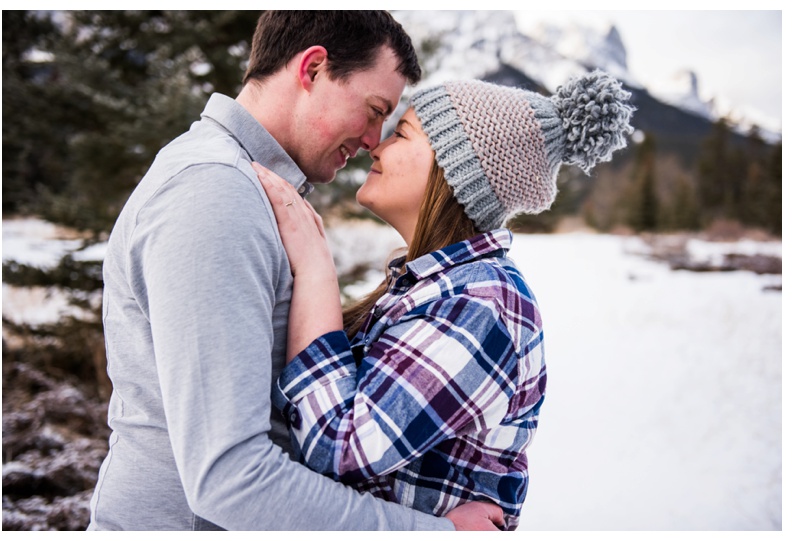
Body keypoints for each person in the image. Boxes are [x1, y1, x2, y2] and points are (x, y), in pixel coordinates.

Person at [88, 11, 502, 531]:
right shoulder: (214, 193)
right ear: (312, 69)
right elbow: (230, 476)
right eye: (374, 110)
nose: (375, 139)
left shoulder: (252, 190)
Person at [255, 71, 635, 530]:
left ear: (455, 170)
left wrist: (316, 269)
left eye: (402, 134)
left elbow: (341, 446)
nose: (376, 146)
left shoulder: (480, 305)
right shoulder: (431, 288)